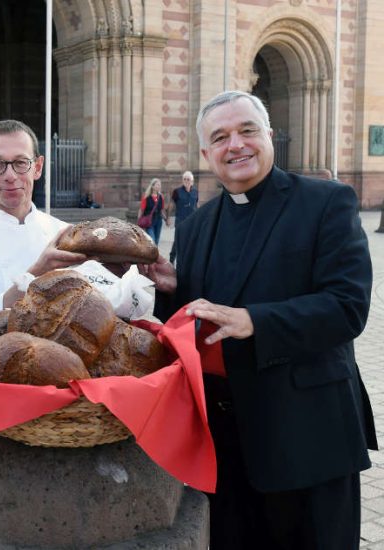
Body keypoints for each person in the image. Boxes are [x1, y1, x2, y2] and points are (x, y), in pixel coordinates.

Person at [144, 90, 377, 549]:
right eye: (221, 137)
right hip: (227, 443)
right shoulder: (196, 226)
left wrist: (257, 320)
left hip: (307, 436)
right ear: (206, 153)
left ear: (268, 135)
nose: (237, 145)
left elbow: (348, 306)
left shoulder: (326, 202)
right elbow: (204, 320)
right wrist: (175, 291)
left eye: (247, 130)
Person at [0, 119, 86, 464]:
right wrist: (34, 275)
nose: (10, 175)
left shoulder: (65, 233)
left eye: (20, 163)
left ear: (37, 167)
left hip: (61, 408)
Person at [168, 170, 198, 264]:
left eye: (188, 179)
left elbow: (196, 205)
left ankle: (186, 261)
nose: (186, 181)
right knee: (178, 240)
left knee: (190, 240)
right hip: (180, 220)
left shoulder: (195, 191)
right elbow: (172, 205)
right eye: (184, 179)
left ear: (192, 181)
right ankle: (172, 259)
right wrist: (168, 217)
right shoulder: (177, 192)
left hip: (192, 220)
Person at [137, 178, 168, 245]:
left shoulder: (161, 197)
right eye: (157, 185)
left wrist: (166, 220)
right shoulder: (146, 197)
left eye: (160, 185)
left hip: (158, 221)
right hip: (149, 222)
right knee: (152, 240)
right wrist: (139, 220)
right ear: (152, 186)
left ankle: (154, 255)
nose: (159, 186)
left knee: (156, 241)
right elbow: (141, 210)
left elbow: (161, 211)